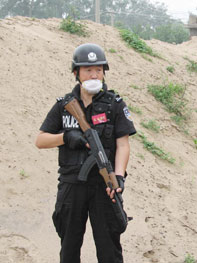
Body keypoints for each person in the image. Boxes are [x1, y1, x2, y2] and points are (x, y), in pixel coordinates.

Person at [35, 43, 136, 263]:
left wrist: (118, 176)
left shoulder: (114, 105)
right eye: (88, 70)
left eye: (99, 70)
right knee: (69, 248)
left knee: (109, 249)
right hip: (72, 185)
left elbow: (123, 144)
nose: (94, 74)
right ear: (76, 73)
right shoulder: (64, 106)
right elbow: (40, 140)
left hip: (103, 186)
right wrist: (66, 137)